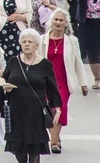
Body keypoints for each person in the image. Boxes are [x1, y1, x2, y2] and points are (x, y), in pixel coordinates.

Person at [0, 29, 62, 163]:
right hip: (16, 110)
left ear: (36, 45)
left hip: (36, 111)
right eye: (24, 42)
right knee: (18, 148)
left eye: (30, 42)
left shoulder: (45, 64)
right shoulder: (13, 61)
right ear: (20, 44)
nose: (26, 44)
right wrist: (5, 88)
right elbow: (3, 81)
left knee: (34, 148)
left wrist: (57, 108)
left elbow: (52, 88)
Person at [40, 9, 88, 154]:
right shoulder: (42, 39)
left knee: (60, 109)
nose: (58, 23)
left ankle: (54, 142)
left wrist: (83, 83)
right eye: (56, 20)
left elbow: (78, 62)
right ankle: (56, 137)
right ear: (51, 21)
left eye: (61, 20)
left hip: (63, 82)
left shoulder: (72, 41)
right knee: (48, 110)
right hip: (45, 82)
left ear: (66, 23)